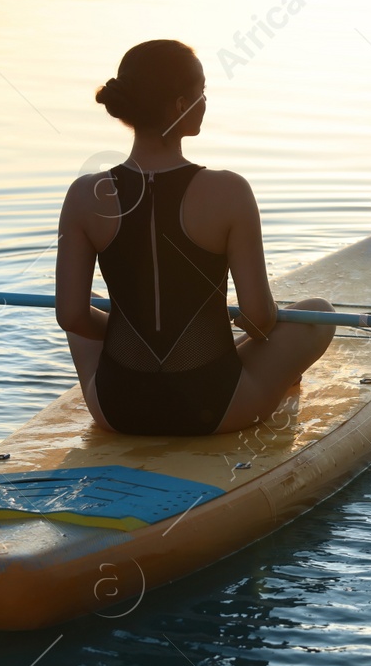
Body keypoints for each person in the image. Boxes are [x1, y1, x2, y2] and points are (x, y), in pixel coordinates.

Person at [54, 39, 335, 435]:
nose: (206, 101)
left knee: (90, 302)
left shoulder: (84, 194)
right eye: (202, 91)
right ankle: (270, 382)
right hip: (214, 407)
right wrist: (215, 334)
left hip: (117, 408)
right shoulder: (229, 191)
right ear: (180, 105)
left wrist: (130, 331)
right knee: (318, 314)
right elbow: (258, 318)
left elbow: (71, 316)